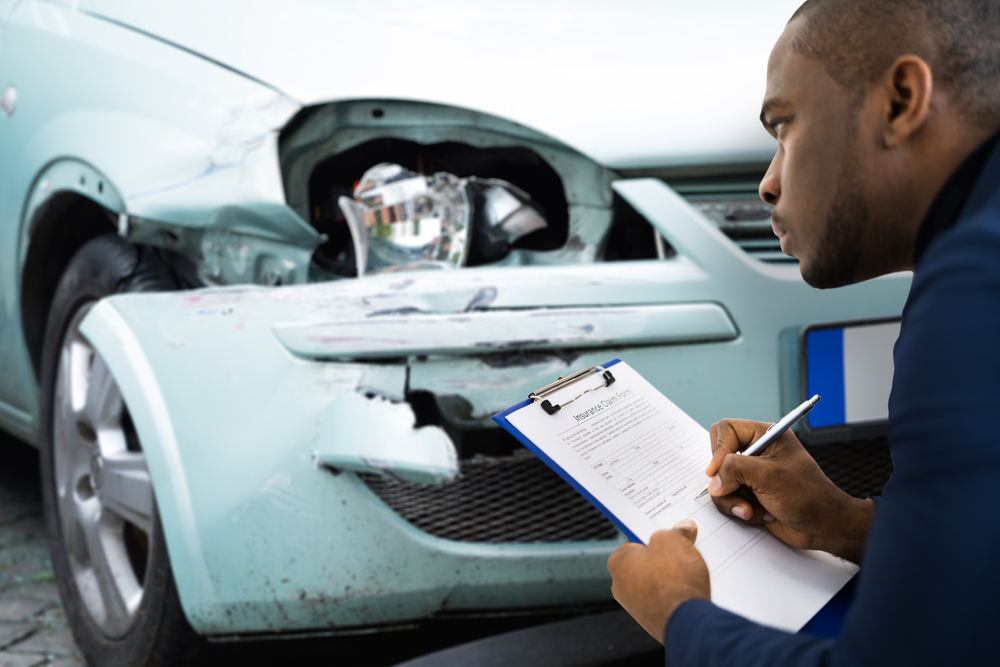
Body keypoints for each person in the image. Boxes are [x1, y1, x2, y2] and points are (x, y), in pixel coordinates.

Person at [606, 0, 1000, 664]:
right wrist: (845, 523)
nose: (767, 183)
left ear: (902, 100)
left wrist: (679, 613)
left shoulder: (975, 285)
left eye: (784, 127)